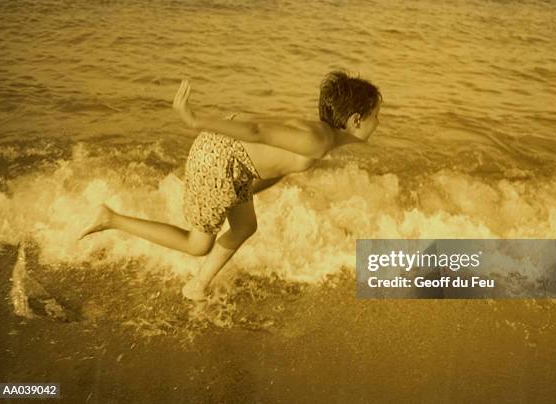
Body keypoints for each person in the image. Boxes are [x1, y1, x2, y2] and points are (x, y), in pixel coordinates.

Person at [79, 71, 382, 301]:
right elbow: (256, 131)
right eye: (376, 116)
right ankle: (110, 219)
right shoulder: (316, 141)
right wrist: (196, 121)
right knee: (197, 244)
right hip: (219, 156)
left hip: (235, 165)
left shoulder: (320, 138)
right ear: (356, 120)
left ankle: (196, 286)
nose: (379, 122)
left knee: (245, 226)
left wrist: (246, 190)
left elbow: (275, 167)